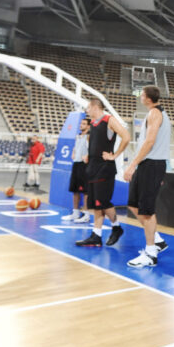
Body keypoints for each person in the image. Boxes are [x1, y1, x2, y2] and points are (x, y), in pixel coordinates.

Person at [123, 85, 171, 267]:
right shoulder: (154, 113)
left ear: (148, 98)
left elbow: (150, 141)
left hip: (152, 165)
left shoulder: (155, 113)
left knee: (147, 211)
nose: (140, 97)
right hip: (147, 165)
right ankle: (157, 240)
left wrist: (132, 165)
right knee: (133, 204)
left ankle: (151, 254)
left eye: (142, 94)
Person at [75, 98, 131, 248]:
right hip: (93, 167)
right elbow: (95, 144)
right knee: (96, 204)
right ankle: (96, 235)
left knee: (103, 202)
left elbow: (126, 137)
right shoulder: (93, 123)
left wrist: (115, 155)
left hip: (104, 168)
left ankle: (117, 227)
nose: (87, 111)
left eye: (88, 108)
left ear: (95, 107)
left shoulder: (109, 120)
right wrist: (89, 155)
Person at [62, 117, 90, 222]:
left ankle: (86, 215)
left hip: (84, 165)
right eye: (81, 123)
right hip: (76, 164)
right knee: (75, 190)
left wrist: (88, 156)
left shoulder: (89, 136)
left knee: (85, 192)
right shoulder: (78, 136)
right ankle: (75, 213)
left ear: (88, 126)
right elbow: (76, 147)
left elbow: (93, 149)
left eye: (84, 124)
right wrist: (73, 152)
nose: (81, 125)